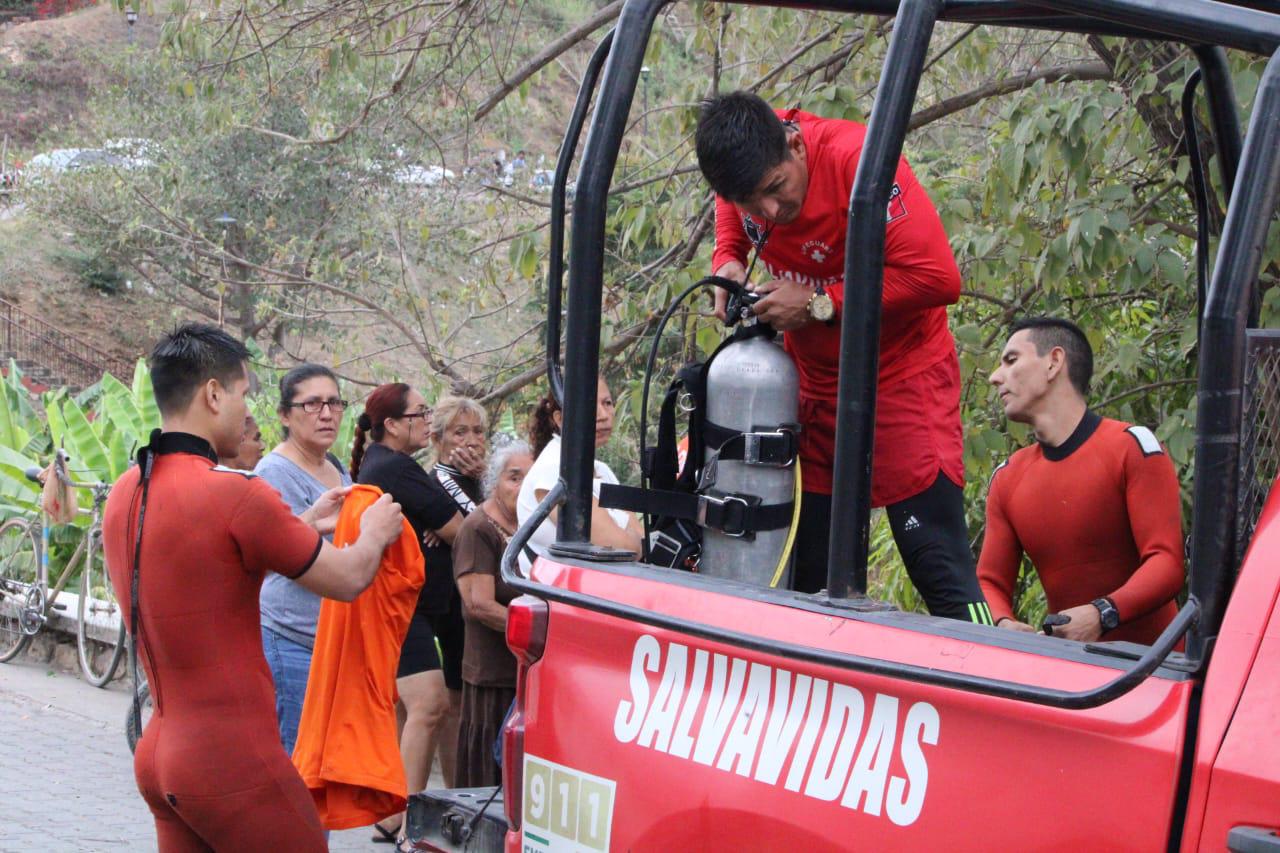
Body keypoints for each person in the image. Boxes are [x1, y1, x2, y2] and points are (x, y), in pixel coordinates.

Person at [101, 323, 403, 852]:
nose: (248, 413)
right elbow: (350, 578)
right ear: (213, 394)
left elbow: (208, 575)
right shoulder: (237, 493)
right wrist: (375, 533)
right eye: (243, 394)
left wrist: (302, 523)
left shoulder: (129, 489)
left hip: (160, 755)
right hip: (231, 758)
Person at [695, 90, 988, 622]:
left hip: (902, 379)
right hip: (812, 391)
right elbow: (732, 206)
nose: (770, 212)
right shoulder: (748, 172)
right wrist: (729, 257)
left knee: (939, 568)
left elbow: (939, 277)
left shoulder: (860, 161)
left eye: (776, 189)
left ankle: (997, 685)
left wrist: (822, 303)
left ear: (793, 145)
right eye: (750, 203)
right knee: (810, 574)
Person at [978, 318, 1185, 644]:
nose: (995, 377)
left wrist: (1104, 613)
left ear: (1054, 362)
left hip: (1157, 673)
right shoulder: (1007, 478)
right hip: (1070, 677)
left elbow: (1167, 563)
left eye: (1011, 360)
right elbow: (987, 582)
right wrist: (1002, 622)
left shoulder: (1131, 447)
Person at [350, 384, 466, 845]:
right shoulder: (397, 468)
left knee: (406, 708)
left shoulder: (385, 465)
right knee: (430, 704)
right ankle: (407, 820)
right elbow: (459, 527)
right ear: (393, 425)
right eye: (420, 413)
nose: (428, 421)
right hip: (399, 608)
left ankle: (390, 815)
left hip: (399, 606)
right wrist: (442, 525)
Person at [257, 364, 352, 755]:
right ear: (284, 414)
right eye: (312, 404)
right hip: (290, 636)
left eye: (333, 403)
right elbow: (278, 549)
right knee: (295, 760)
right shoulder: (274, 471)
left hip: (329, 638)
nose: (326, 414)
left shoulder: (335, 467)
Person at [452, 439, 533, 787]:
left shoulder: (535, 527)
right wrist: (538, 635)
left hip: (527, 670)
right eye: (514, 478)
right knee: (490, 774)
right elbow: (478, 604)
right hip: (493, 673)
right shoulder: (479, 528)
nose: (522, 487)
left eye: (530, 479)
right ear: (494, 483)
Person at [420, 395, 490, 786]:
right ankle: (456, 789)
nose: (470, 440)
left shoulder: (484, 479)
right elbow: (482, 530)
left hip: (486, 597)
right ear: (438, 439)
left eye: (478, 431)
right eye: (459, 431)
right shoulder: (438, 482)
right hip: (453, 603)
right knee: (456, 698)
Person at [518, 376, 643, 560]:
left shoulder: (603, 470)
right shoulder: (554, 471)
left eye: (607, 403)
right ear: (560, 419)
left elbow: (641, 538)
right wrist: (629, 536)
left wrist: (631, 539)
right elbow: (625, 550)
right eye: (591, 405)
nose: (603, 415)